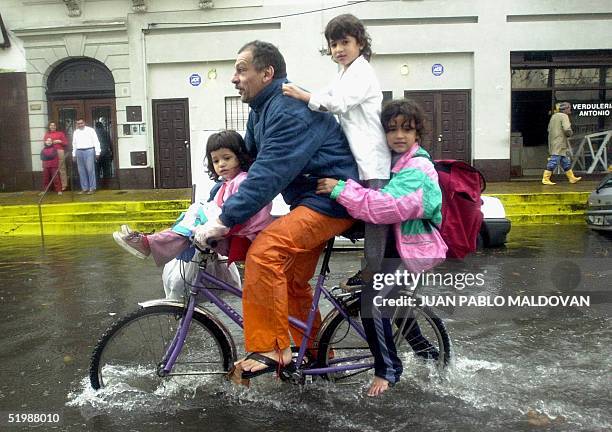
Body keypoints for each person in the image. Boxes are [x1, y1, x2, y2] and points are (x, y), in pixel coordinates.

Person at [194, 40, 359, 379]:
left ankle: (272, 346)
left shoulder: (287, 111)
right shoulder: (262, 109)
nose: (233, 78)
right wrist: (214, 200)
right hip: (310, 201)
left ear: (266, 73)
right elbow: (249, 164)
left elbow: (268, 174)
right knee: (292, 280)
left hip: (331, 202)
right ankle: (315, 352)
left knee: (265, 252)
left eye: (241, 69)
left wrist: (225, 220)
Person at [317, 99, 448, 396]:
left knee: (373, 304)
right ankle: (428, 355)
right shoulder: (393, 162)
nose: (399, 135)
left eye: (407, 129)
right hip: (394, 249)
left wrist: (340, 189)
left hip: (410, 251)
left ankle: (388, 369)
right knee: (396, 306)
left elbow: (383, 206)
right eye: (391, 129)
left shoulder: (417, 168)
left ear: (418, 133)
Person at [282, 14, 391, 292]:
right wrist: (298, 94)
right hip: (359, 158)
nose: (339, 49)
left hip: (374, 159)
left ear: (360, 43)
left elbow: (338, 103)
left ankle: (373, 273)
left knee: (376, 219)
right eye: (334, 44)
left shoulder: (363, 72)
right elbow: (325, 93)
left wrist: (303, 97)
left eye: (345, 42)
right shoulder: (344, 73)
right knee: (366, 216)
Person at [113, 130, 274, 267]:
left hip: (244, 236)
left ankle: (148, 243)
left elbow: (238, 214)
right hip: (233, 232)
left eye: (227, 158)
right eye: (216, 160)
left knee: (194, 220)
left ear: (239, 156)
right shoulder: (226, 183)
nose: (221, 164)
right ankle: (150, 242)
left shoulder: (243, 180)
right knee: (193, 217)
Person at [542, 102, 581, 185]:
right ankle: (546, 178)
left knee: (564, 160)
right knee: (554, 159)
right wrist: (570, 133)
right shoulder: (564, 116)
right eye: (569, 108)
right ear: (565, 109)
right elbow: (567, 129)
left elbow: (549, 129)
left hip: (553, 141)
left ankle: (571, 178)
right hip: (560, 142)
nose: (570, 110)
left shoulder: (554, 116)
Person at [72, 119, 101, 194]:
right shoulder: (76, 132)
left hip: (89, 150)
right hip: (79, 151)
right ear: (77, 124)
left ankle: (92, 188)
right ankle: (84, 188)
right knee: (81, 171)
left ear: (84, 123)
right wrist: (74, 154)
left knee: (90, 170)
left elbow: (96, 141)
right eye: (78, 123)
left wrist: (97, 152)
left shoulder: (90, 130)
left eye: (81, 123)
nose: (80, 125)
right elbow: (74, 143)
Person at [43, 122, 68, 191]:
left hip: (59, 151)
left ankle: (64, 185)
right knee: (53, 169)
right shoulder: (47, 134)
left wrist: (60, 141)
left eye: (54, 125)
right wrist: (52, 142)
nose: (53, 126)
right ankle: (56, 186)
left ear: (56, 126)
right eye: (51, 125)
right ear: (49, 126)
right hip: (50, 152)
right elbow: (45, 143)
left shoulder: (60, 133)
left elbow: (65, 143)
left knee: (61, 168)